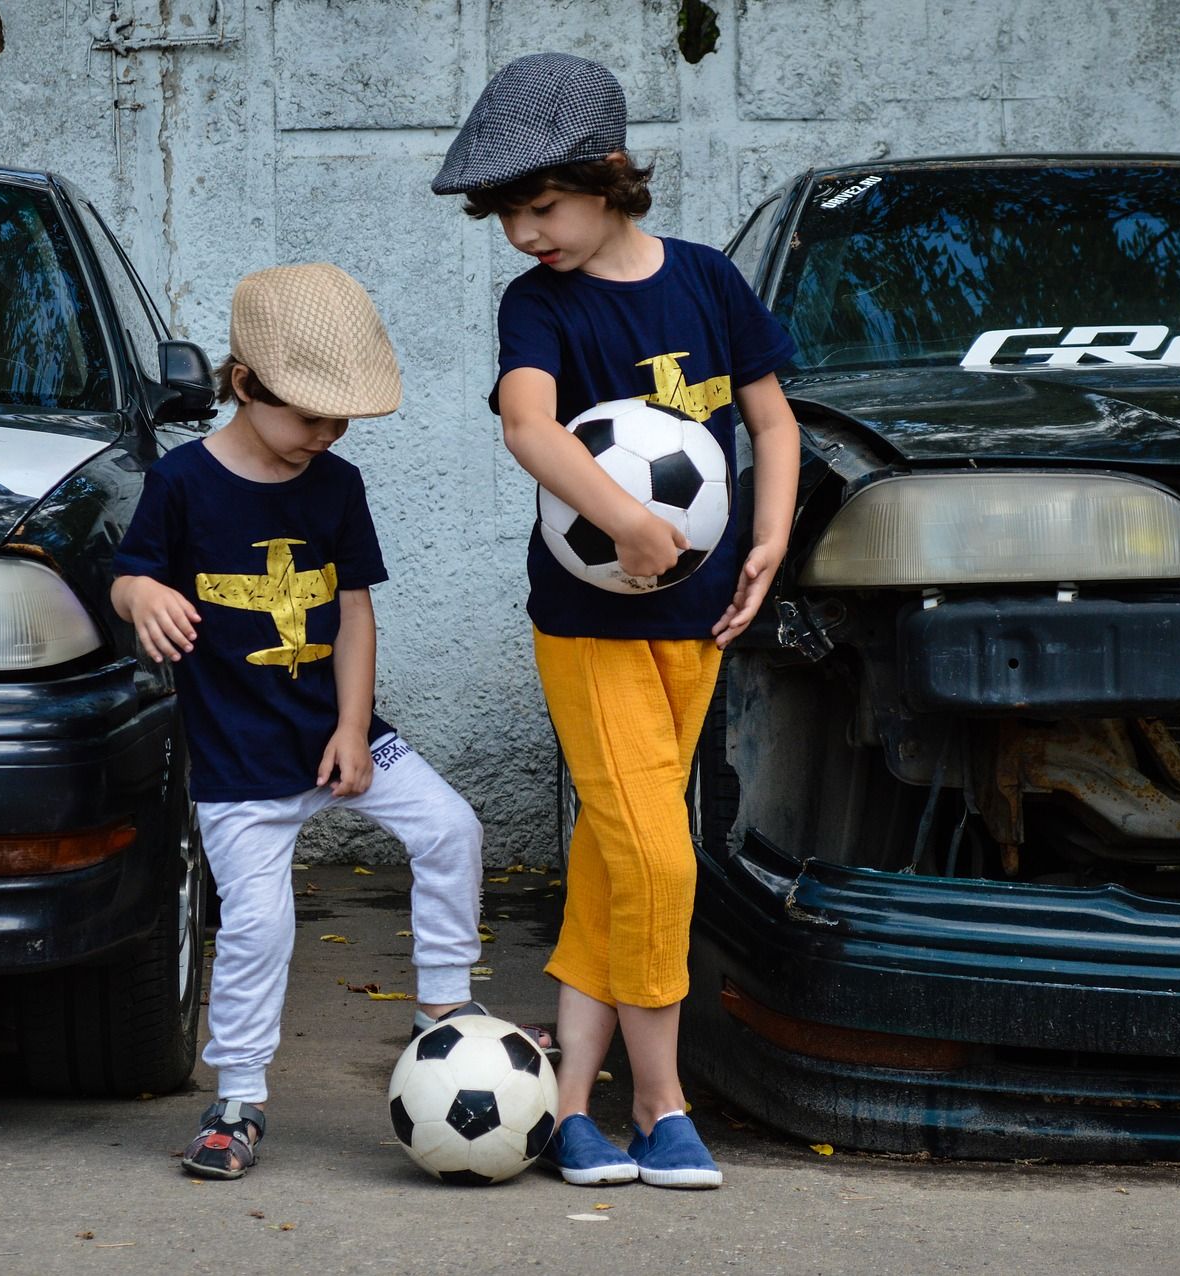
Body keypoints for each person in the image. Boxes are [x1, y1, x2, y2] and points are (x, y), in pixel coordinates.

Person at [432, 53, 799, 1189]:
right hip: (587, 630)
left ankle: (569, 1106)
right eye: (505, 216)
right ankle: (661, 1102)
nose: (522, 234)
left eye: (539, 206)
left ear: (608, 177)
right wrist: (628, 523)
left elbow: (771, 421)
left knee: (609, 855)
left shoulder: (705, 280)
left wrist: (770, 537)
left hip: (698, 622)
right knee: (660, 854)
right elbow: (530, 429)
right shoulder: (537, 305)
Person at [112, 263, 504, 1179]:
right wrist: (142, 597)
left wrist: (355, 728)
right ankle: (237, 1101)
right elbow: (130, 572)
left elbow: (356, 609)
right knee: (259, 924)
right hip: (240, 758)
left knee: (451, 827)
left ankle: (443, 1009)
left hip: (336, 733)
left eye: (340, 422)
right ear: (243, 385)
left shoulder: (336, 485)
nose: (325, 436)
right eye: (309, 418)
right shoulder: (179, 484)